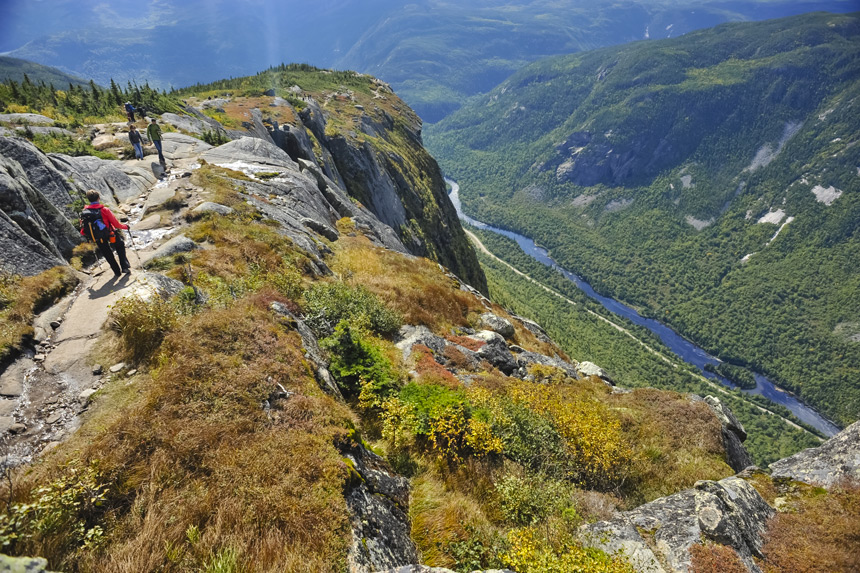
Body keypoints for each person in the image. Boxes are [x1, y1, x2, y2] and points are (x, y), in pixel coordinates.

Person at [79, 190, 131, 277]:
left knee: (107, 253)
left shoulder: (85, 212)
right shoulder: (104, 210)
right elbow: (116, 224)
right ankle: (124, 267)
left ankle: (116, 272)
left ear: (89, 199)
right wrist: (125, 227)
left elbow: (83, 227)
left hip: (98, 236)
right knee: (120, 245)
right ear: (98, 198)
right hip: (110, 233)